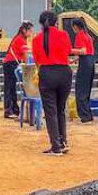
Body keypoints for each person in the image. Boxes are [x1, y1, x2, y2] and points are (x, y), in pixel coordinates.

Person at [32, 11, 73, 156]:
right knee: (61, 110)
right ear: (55, 22)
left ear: (41, 23)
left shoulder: (37, 39)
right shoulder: (64, 35)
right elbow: (68, 51)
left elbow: (37, 61)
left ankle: (56, 146)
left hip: (47, 73)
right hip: (64, 72)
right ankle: (63, 142)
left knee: (51, 112)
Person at [3, 21, 34, 118]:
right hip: (10, 63)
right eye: (30, 31)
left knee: (11, 87)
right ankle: (8, 110)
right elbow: (25, 56)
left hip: (10, 63)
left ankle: (14, 109)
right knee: (9, 87)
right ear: (24, 30)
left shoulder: (19, 38)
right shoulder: (21, 40)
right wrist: (27, 68)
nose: (31, 33)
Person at [71, 17, 96, 124]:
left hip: (85, 64)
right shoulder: (87, 35)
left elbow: (83, 51)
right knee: (86, 90)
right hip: (90, 62)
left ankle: (85, 116)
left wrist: (68, 49)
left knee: (80, 90)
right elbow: (87, 52)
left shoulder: (79, 35)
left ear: (75, 27)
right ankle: (88, 115)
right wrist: (74, 60)